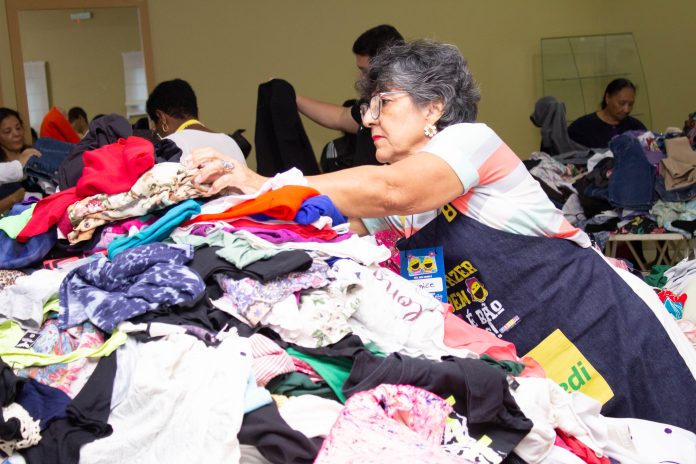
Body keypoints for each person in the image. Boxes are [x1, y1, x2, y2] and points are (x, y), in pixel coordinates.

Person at [187, 39, 696, 432]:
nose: (369, 120)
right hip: (538, 357)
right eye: (366, 108)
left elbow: (392, 190)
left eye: (383, 103)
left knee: (670, 431)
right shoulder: (395, 210)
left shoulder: (471, 143)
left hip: (607, 326)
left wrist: (265, 182)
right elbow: (326, 221)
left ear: (433, 107)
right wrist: (239, 202)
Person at [296, 24, 404, 166]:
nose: (360, 77)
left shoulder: (407, 111)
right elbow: (340, 117)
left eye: (365, 71)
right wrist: (291, 97)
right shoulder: (369, 103)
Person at [146, 78, 245, 166]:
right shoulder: (230, 142)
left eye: (155, 125)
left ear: (161, 117)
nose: (156, 131)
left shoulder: (170, 146)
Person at [567, 78, 647, 149]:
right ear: (608, 98)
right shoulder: (581, 128)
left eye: (630, 104)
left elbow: (653, 153)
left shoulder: (637, 127)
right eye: (622, 103)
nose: (626, 110)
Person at [0, 108, 41, 211]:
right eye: (7, 131)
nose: (16, 134)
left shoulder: (34, 154)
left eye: (18, 128)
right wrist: (12, 199)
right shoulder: (2, 170)